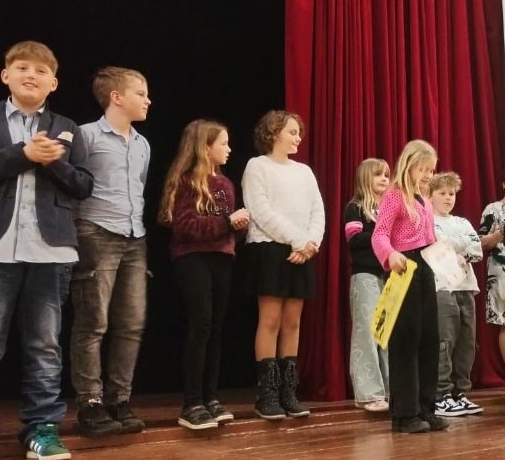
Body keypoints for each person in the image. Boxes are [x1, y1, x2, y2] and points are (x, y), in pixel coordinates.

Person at [0, 41, 93, 460]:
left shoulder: (67, 126)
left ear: (54, 82)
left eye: (41, 70)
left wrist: (51, 162)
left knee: (45, 345)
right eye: (23, 67)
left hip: (52, 249)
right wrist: (21, 154)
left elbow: (84, 185)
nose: (31, 75)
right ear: (6, 75)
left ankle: (42, 429)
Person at [70, 66, 151, 437]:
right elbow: (72, 184)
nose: (148, 100)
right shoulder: (85, 135)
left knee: (131, 324)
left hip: (135, 237)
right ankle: (90, 402)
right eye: (140, 93)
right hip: (96, 233)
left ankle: (120, 399)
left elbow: (139, 189)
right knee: (93, 322)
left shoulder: (142, 144)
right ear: (116, 97)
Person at [158, 120, 250, 430]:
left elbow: (227, 229)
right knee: (202, 325)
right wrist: (227, 223)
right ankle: (192, 402)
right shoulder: (186, 181)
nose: (229, 149)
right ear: (205, 147)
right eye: (223, 143)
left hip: (222, 257)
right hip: (193, 258)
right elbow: (185, 227)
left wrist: (238, 226)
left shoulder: (225, 184)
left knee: (217, 329)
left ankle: (211, 397)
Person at [241, 110, 324, 420]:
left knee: (292, 322)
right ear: (274, 133)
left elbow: (318, 210)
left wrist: (310, 243)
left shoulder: (304, 171)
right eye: (292, 132)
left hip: (302, 251)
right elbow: (261, 211)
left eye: (298, 132)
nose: (298, 137)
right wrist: (298, 240)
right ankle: (267, 395)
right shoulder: (257, 166)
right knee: (271, 320)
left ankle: (289, 392)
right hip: (270, 249)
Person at [371, 140, 449, 434]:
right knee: (406, 339)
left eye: (431, 170)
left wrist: (447, 259)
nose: (428, 175)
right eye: (424, 169)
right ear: (409, 165)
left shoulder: (424, 200)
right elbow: (379, 234)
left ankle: (426, 407)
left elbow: (430, 239)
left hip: (426, 267)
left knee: (429, 338)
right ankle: (405, 413)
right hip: (405, 267)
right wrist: (390, 255)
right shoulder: (394, 196)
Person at [428, 172, 483, 418]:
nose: (448, 198)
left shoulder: (462, 221)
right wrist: (457, 245)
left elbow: (477, 248)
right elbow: (437, 243)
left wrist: (457, 247)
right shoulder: (428, 220)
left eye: (451, 193)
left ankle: (460, 393)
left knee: (466, 343)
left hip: (466, 286)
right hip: (442, 286)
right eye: (442, 193)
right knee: (445, 340)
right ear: (430, 196)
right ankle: (442, 395)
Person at [344, 158, 391, 412]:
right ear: (365, 178)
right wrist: (382, 233)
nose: (384, 179)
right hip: (365, 276)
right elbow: (354, 239)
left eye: (386, 175)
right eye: (378, 175)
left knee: (387, 334)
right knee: (368, 334)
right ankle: (369, 394)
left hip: (390, 278)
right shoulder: (356, 208)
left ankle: (391, 391)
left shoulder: (391, 209)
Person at [478, 165, 505, 390]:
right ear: (504, 184)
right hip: (501, 270)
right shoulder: (493, 209)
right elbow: (480, 243)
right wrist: (500, 233)